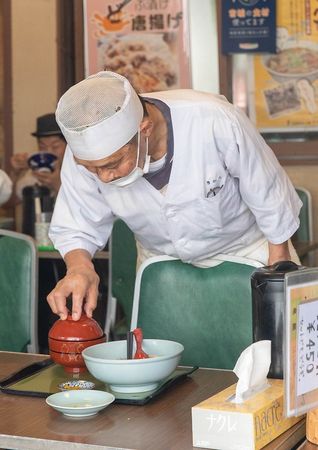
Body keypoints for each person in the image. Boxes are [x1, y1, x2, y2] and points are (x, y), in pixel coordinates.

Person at [47, 71, 302, 322]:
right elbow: (77, 224)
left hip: (247, 252)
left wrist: (277, 271)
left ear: (144, 129)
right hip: (161, 262)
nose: (103, 177)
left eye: (112, 164)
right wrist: (80, 268)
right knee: (164, 355)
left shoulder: (213, 119)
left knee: (268, 350)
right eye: (91, 169)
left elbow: (270, 194)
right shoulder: (85, 154)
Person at [9, 113, 67, 203]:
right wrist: (15, 173)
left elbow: (87, 208)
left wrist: (57, 184)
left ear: (68, 145)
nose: (49, 151)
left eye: (55, 146)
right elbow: (11, 202)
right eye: (42, 146)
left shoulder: (81, 170)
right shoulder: (35, 172)